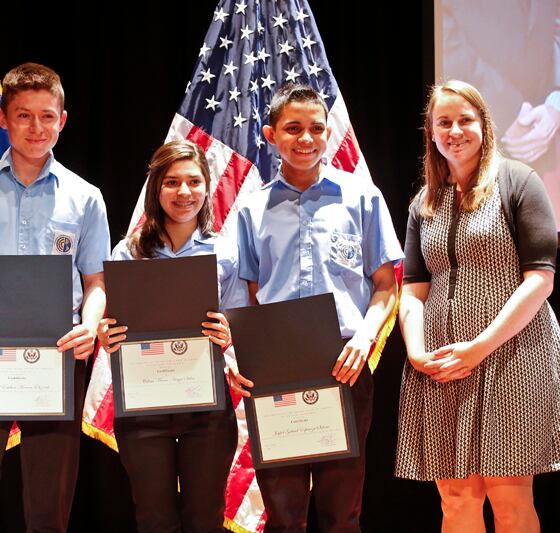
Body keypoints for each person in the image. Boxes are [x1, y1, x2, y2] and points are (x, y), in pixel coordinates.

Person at [0, 62, 109, 532]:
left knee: (49, 504)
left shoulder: (85, 197)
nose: (37, 128)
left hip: (57, 355)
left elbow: (96, 282)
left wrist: (89, 326)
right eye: (24, 116)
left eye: (47, 116)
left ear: (62, 120)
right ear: (3, 119)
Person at [230, 83, 402, 532]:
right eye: (293, 128)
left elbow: (386, 286)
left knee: (341, 512)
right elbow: (250, 296)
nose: (306, 138)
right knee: (283, 514)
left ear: (328, 132)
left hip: (345, 363)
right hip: (276, 368)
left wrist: (364, 339)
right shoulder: (252, 210)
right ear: (271, 135)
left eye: (316, 128)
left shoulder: (362, 198)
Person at [396, 79, 560, 533]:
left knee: (510, 500)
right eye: (443, 122)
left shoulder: (518, 181)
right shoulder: (424, 202)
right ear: (431, 132)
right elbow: (413, 290)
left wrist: (480, 346)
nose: (455, 131)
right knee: (455, 501)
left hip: (514, 357)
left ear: (484, 125)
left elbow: (540, 280)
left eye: (465, 120)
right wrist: (416, 351)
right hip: (443, 363)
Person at [97, 139, 248, 532]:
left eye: (194, 182)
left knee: (205, 519)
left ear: (207, 187)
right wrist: (105, 334)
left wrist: (229, 333)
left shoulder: (225, 253)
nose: (184, 192)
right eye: (172, 182)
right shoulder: (128, 253)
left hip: (207, 410)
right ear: (156, 189)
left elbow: (240, 325)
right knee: (154, 520)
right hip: (144, 408)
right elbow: (112, 325)